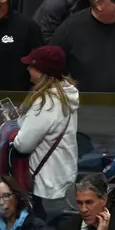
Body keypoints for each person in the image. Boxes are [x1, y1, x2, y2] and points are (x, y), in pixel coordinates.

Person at [12, 46, 78, 221]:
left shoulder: (47, 102)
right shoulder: (66, 94)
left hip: (46, 185)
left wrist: (13, 127)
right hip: (62, 177)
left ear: (42, 71)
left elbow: (23, 144)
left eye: (32, 66)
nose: (28, 69)